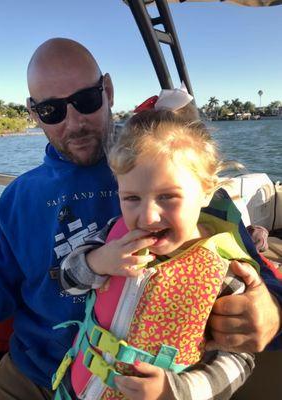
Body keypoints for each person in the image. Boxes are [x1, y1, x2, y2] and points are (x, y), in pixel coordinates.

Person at [0, 37, 280, 400]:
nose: (74, 122)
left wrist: (272, 310)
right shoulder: (17, 200)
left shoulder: (173, 168)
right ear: (33, 112)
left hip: (148, 380)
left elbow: (254, 275)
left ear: (107, 89)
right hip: (32, 376)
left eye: (86, 101)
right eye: (52, 111)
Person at [57, 107, 264, 400]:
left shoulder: (226, 272)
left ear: (206, 192)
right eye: (131, 198)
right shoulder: (113, 239)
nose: (149, 216)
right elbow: (67, 278)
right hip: (78, 388)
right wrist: (96, 261)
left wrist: (176, 390)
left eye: (167, 197)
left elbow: (239, 359)